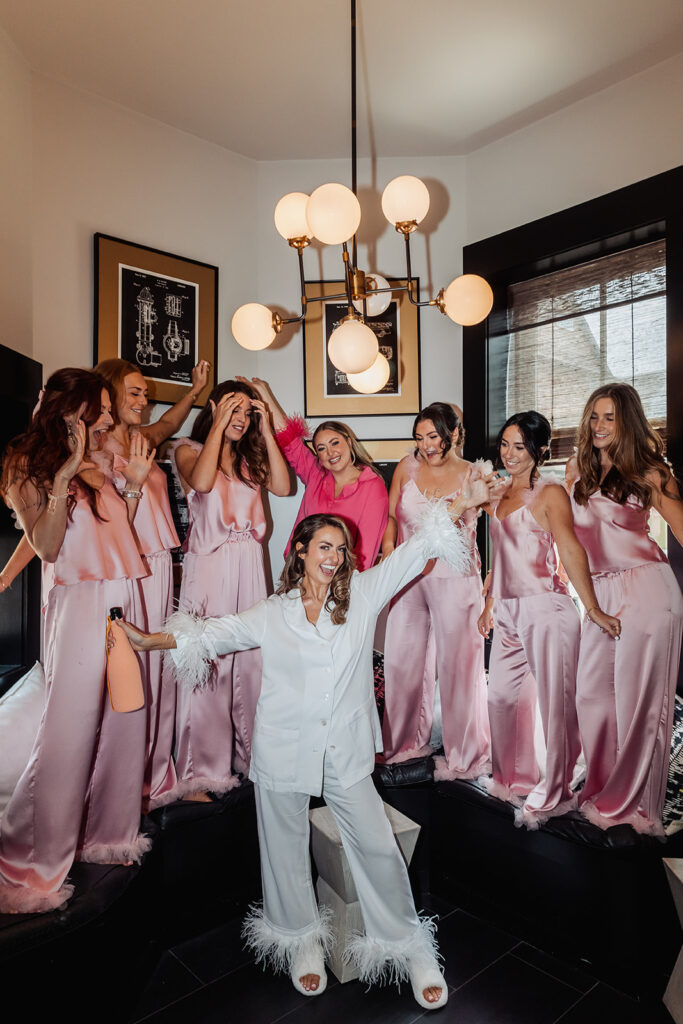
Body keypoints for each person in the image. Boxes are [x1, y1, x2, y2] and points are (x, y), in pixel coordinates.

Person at [116, 480, 492, 1009]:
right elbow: (216, 632)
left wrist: (461, 500)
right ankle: (300, 942)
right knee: (283, 849)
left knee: (378, 847)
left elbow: (420, 547)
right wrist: (149, 640)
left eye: (342, 549)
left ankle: (411, 947)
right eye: (325, 547)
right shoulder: (274, 612)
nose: (336, 557)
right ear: (300, 551)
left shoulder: (364, 592)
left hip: (345, 750)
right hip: (282, 749)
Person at [0, 368, 155, 912]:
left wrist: (132, 482)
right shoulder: (26, 462)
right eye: (103, 408)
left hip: (118, 601)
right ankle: (30, 856)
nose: (111, 418)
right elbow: (45, 546)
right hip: (76, 603)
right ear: (73, 408)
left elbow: (120, 534)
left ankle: (106, 835)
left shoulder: (102, 461)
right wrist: (64, 476)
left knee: (123, 721)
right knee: (68, 734)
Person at [478, 411, 620, 828]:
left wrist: (592, 607)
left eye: (519, 447)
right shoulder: (496, 493)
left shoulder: (551, 493)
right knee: (500, 697)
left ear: (539, 451)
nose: (509, 454)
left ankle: (556, 791)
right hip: (505, 610)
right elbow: (500, 556)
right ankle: (512, 779)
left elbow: (572, 550)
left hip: (546, 608)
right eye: (504, 445)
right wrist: (488, 600)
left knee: (556, 706)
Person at [94, 357, 210, 810]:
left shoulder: (145, 439)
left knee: (162, 667)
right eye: (135, 393)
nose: (143, 402)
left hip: (161, 563)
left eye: (145, 393)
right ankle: (123, 787)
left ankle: (159, 778)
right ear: (108, 395)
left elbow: (170, 420)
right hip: (127, 566)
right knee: (131, 669)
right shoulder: (97, 446)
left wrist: (196, 390)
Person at [567, 383, 683, 835]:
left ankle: (634, 806)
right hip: (599, 595)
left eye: (610, 417)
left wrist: (658, 488)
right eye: (594, 416)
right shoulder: (577, 469)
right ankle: (601, 787)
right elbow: (570, 539)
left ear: (627, 421)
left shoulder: (650, 471)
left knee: (640, 706)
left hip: (648, 590)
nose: (599, 425)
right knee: (591, 696)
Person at [171, 379, 290, 798]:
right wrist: (220, 428)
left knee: (253, 661)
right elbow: (202, 485)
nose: (241, 420)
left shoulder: (250, 456)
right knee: (209, 662)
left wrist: (266, 428)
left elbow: (284, 486)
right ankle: (201, 769)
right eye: (233, 411)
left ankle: (251, 755)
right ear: (216, 408)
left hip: (250, 566)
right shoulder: (187, 448)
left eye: (246, 414)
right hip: (210, 566)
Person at [379, 402, 491, 779]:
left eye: (434, 436)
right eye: (420, 437)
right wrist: (390, 552)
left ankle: (465, 757)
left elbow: (507, 527)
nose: (426, 445)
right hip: (409, 579)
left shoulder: (475, 475)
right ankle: (403, 745)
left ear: (455, 434)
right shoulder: (406, 467)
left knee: (459, 668)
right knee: (401, 662)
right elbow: (393, 517)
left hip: (456, 579)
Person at [239, 377, 388, 570]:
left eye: (335, 443)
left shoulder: (372, 486)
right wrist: (264, 392)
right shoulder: (316, 475)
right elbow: (290, 441)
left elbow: (366, 550)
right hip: (302, 574)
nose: (330, 453)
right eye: (321, 448)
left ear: (349, 443)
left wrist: (346, 588)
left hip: (343, 582)